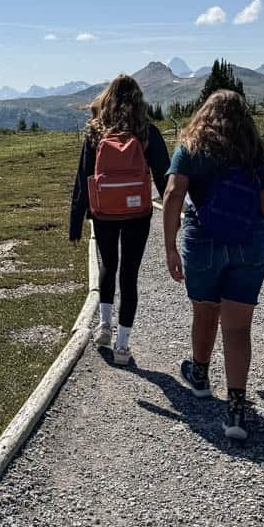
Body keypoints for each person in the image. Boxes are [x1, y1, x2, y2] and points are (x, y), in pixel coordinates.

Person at [163, 90, 264, 440]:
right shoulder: (253, 151)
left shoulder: (191, 148)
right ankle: (236, 409)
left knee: (204, 311)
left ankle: (199, 376)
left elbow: (172, 195)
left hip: (203, 241)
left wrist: (169, 247)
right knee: (239, 329)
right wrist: (246, 232)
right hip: (249, 243)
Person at [69, 74, 170, 365]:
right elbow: (166, 178)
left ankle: (103, 326)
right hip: (138, 213)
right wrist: (176, 214)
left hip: (104, 212)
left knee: (108, 265)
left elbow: (83, 179)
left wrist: (76, 220)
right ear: (139, 101)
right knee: (129, 274)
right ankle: (123, 345)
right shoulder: (147, 132)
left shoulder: (96, 132)